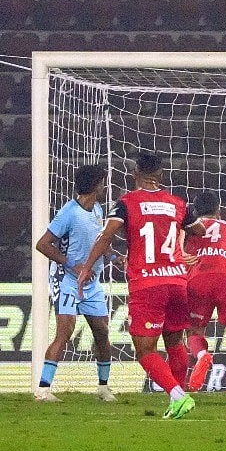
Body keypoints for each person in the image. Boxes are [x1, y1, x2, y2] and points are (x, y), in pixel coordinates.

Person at [78, 152, 202, 419]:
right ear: (160, 175)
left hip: (148, 284)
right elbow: (199, 230)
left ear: (135, 173)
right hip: (177, 281)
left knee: (145, 350)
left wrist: (87, 267)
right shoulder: (178, 203)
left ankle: (179, 396)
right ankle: (177, 401)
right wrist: (183, 239)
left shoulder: (126, 203)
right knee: (175, 343)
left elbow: (105, 236)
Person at [33, 164, 120, 402]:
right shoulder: (69, 212)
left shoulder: (98, 210)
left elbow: (100, 245)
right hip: (67, 279)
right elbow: (42, 244)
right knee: (65, 331)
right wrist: (74, 265)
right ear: (95, 185)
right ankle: (43, 390)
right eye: (102, 181)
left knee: (102, 332)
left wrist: (115, 257)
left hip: (91, 283)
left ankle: (103, 388)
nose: (104, 186)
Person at [183, 191, 226, 402]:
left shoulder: (189, 229)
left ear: (195, 211)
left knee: (195, 330)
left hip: (198, 278)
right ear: (218, 210)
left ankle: (202, 356)